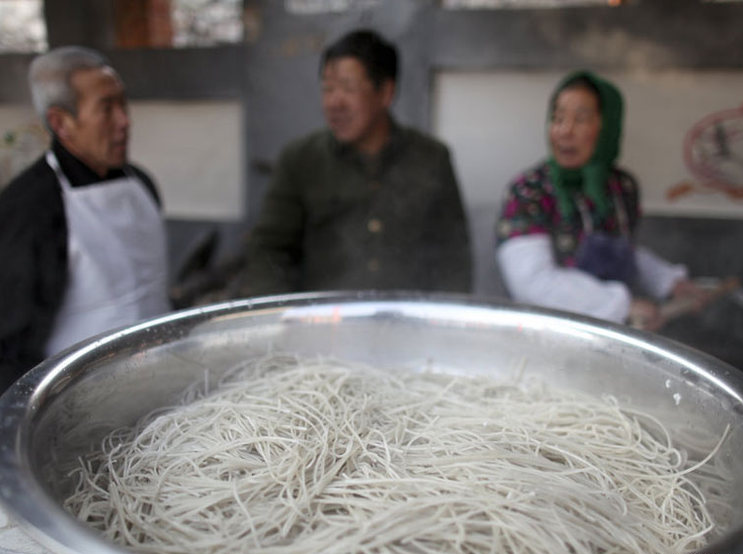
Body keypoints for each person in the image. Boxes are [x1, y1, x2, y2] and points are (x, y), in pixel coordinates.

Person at [0, 46, 170, 400]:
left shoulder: (140, 184)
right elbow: (11, 351)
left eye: (123, 103)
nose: (124, 120)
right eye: (106, 108)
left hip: (164, 383)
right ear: (61, 122)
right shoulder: (29, 209)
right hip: (82, 403)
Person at [240, 29, 472, 296]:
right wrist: (283, 313)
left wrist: (440, 318)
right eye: (327, 88)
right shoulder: (300, 159)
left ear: (385, 92)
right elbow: (268, 248)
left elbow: (454, 255)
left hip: (407, 323)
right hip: (322, 323)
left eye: (348, 88)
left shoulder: (432, 158)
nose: (334, 102)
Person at [496, 70, 709, 330]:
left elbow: (621, 251)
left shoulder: (620, 187)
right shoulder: (529, 191)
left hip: (614, 336)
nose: (564, 131)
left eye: (581, 119)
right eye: (557, 117)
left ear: (607, 126)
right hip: (546, 336)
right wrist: (620, 305)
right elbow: (532, 282)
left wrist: (668, 282)